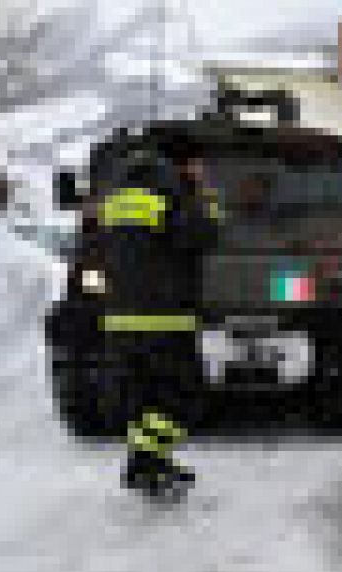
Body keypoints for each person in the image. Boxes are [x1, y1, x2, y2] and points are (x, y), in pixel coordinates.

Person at [92, 134, 220, 502]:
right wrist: (203, 195)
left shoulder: (114, 203)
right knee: (181, 399)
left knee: (144, 399)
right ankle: (144, 462)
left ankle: (151, 461)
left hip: (121, 320)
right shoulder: (171, 199)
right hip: (166, 320)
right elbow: (204, 235)